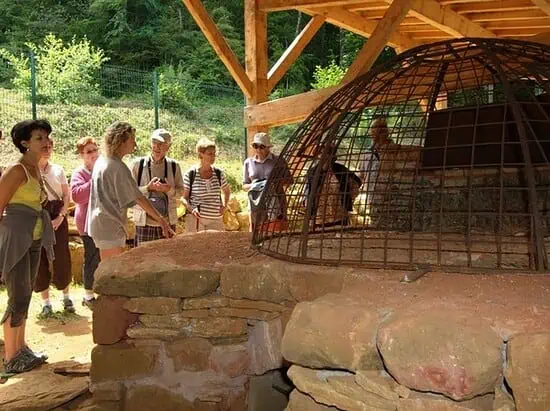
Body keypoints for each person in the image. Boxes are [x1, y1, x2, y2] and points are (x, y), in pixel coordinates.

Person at [0, 119, 55, 373]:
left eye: (47, 137)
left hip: (33, 238)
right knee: (18, 295)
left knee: (25, 293)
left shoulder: (36, 169)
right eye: (39, 138)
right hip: (17, 239)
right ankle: (11, 357)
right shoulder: (17, 170)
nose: (46, 142)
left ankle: (21, 349)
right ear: (24, 143)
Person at [86, 121, 174, 261]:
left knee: (109, 267)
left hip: (101, 224)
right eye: (132, 140)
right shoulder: (117, 167)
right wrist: (161, 220)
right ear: (122, 141)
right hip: (110, 227)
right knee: (113, 270)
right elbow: (139, 198)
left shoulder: (103, 161)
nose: (135, 144)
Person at [34, 137, 73, 317]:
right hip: (37, 215)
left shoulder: (58, 170)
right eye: (44, 147)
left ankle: (66, 298)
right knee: (39, 256)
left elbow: (66, 195)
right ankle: (46, 303)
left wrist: (61, 216)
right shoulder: (29, 170)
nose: (48, 150)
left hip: (58, 214)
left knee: (62, 255)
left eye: (50, 147)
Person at [131, 129, 184, 246]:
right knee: (144, 257)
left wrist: (169, 190)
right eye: (154, 142)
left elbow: (181, 192)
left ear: (168, 147)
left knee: (168, 256)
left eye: (161, 144)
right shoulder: (137, 165)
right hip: (144, 223)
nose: (156, 147)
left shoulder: (174, 166)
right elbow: (129, 193)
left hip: (168, 222)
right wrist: (147, 188)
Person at [70, 137, 100, 308]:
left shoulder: (103, 169)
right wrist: (94, 181)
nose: (93, 154)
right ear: (82, 155)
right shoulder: (79, 173)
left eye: (95, 150)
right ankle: (88, 296)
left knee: (104, 257)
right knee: (91, 258)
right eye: (89, 151)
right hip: (87, 224)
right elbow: (77, 196)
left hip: (103, 222)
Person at [242, 132, 292, 231]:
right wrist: (256, 185)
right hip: (256, 205)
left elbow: (289, 180)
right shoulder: (248, 162)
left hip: (277, 204)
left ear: (268, 147)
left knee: (278, 234)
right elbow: (244, 186)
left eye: (262, 146)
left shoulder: (278, 161)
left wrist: (272, 184)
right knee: (257, 234)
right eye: (255, 146)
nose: (258, 149)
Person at [305, 144, 362, 227]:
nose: (324, 157)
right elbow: (308, 191)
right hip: (319, 217)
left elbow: (356, 183)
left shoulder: (340, 170)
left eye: (328, 153)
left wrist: (347, 200)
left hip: (339, 216)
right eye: (321, 154)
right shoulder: (313, 172)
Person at [182, 138, 230, 232]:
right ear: (200, 155)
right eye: (210, 154)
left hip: (216, 219)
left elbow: (227, 191)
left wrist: (224, 206)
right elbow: (183, 198)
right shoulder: (191, 174)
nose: (213, 157)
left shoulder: (218, 173)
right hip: (196, 220)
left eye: (214, 154)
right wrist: (192, 209)